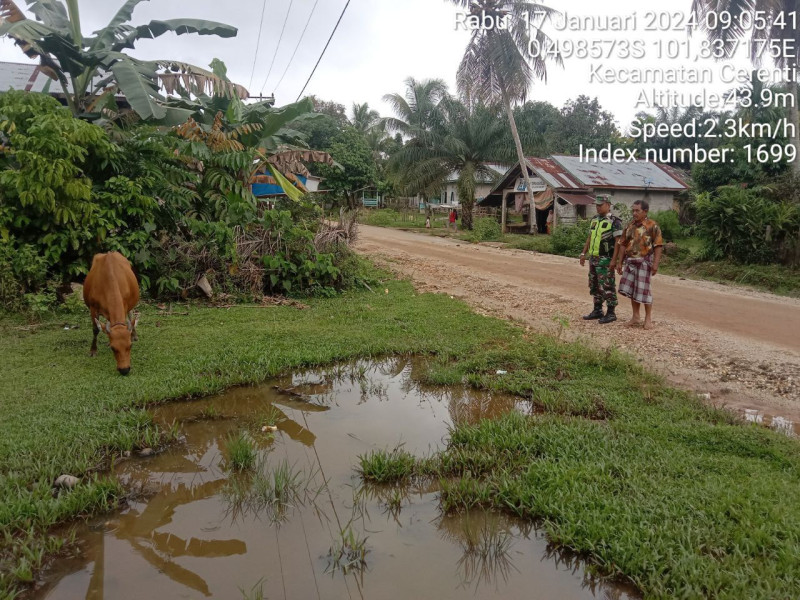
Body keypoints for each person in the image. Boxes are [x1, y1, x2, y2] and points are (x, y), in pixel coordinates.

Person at [613, 199, 663, 330]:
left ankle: (648, 318)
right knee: (633, 290)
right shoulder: (629, 226)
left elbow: (658, 246)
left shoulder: (652, 226)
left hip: (644, 262)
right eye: (633, 210)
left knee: (644, 290)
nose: (634, 213)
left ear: (645, 211)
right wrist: (620, 262)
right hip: (630, 262)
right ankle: (635, 316)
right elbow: (623, 244)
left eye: (637, 210)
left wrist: (655, 264)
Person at [580, 195, 623, 324]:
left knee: (607, 285)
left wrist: (614, 260)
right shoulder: (594, 220)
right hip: (593, 258)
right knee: (594, 285)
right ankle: (597, 310)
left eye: (600, 205)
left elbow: (618, 243)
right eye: (597, 205)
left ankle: (611, 313)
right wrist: (583, 253)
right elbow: (589, 237)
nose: (598, 207)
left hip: (606, 259)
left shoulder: (615, 221)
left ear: (608, 205)